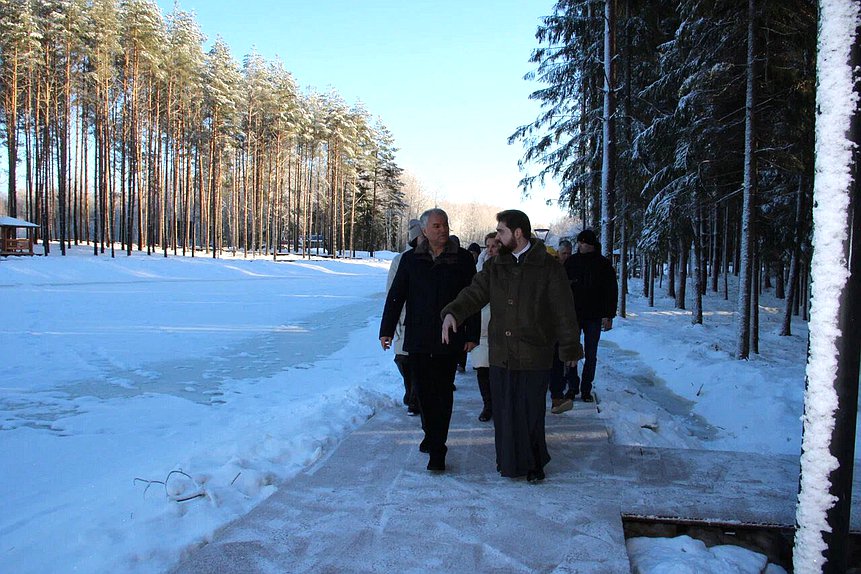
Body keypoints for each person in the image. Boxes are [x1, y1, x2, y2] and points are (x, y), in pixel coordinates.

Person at [441, 209, 582, 482]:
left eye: (502, 231)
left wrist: (570, 348)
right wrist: (453, 312)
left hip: (535, 353)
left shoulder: (548, 267)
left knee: (530, 414)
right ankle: (508, 463)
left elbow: (564, 310)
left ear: (518, 233)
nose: (498, 236)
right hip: (502, 354)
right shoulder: (495, 266)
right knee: (505, 413)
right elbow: (474, 293)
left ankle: (534, 464)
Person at [380, 208, 479, 472]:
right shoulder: (410, 259)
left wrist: (472, 335)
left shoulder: (463, 259)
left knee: (443, 393)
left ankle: (438, 448)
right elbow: (396, 295)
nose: (442, 230)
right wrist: (386, 329)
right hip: (419, 337)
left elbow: (474, 299)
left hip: (450, 337)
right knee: (422, 393)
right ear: (424, 231)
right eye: (436, 226)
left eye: (445, 224)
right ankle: (430, 432)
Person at [554, 228, 618, 409]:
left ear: (590, 245)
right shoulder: (571, 263)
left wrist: (609, 315)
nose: (581, 246)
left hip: (594, 316)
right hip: (573, 315)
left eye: (584, 243)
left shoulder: (603, 265)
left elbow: (611, 291)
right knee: (571, 352)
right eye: (580, 243)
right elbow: (561, 289)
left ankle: (586, 388)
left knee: (591, 354)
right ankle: (572, 387)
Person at [387, 219, 423, 416]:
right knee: (402, 359)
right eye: (420, 237)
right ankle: (410, 391)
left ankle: (415, 399)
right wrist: (392, 322)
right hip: (404, 318)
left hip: (424, 320)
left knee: (419, 361)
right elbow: (391, 292)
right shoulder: (400, 260)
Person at [471, 232, 500, 422]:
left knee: (498, 371)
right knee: (482, 370)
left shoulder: (507, 269)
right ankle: (488, 405)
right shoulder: (477, 269)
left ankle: (499, 405)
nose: (490, 250)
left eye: (494, 246)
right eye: (487, 246)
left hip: (499, 327)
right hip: (480, 326)